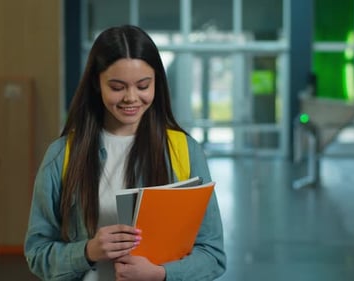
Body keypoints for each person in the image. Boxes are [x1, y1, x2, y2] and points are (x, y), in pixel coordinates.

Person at [24, 25, 226, 281]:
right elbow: (37, 253)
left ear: (157, 83)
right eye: (117, 87)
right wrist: (87, 251)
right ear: (97, 84)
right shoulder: (62, 155)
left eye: (143, 86)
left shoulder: (184, 150)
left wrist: (161, 274)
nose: (131, 98)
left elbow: (213, 254)